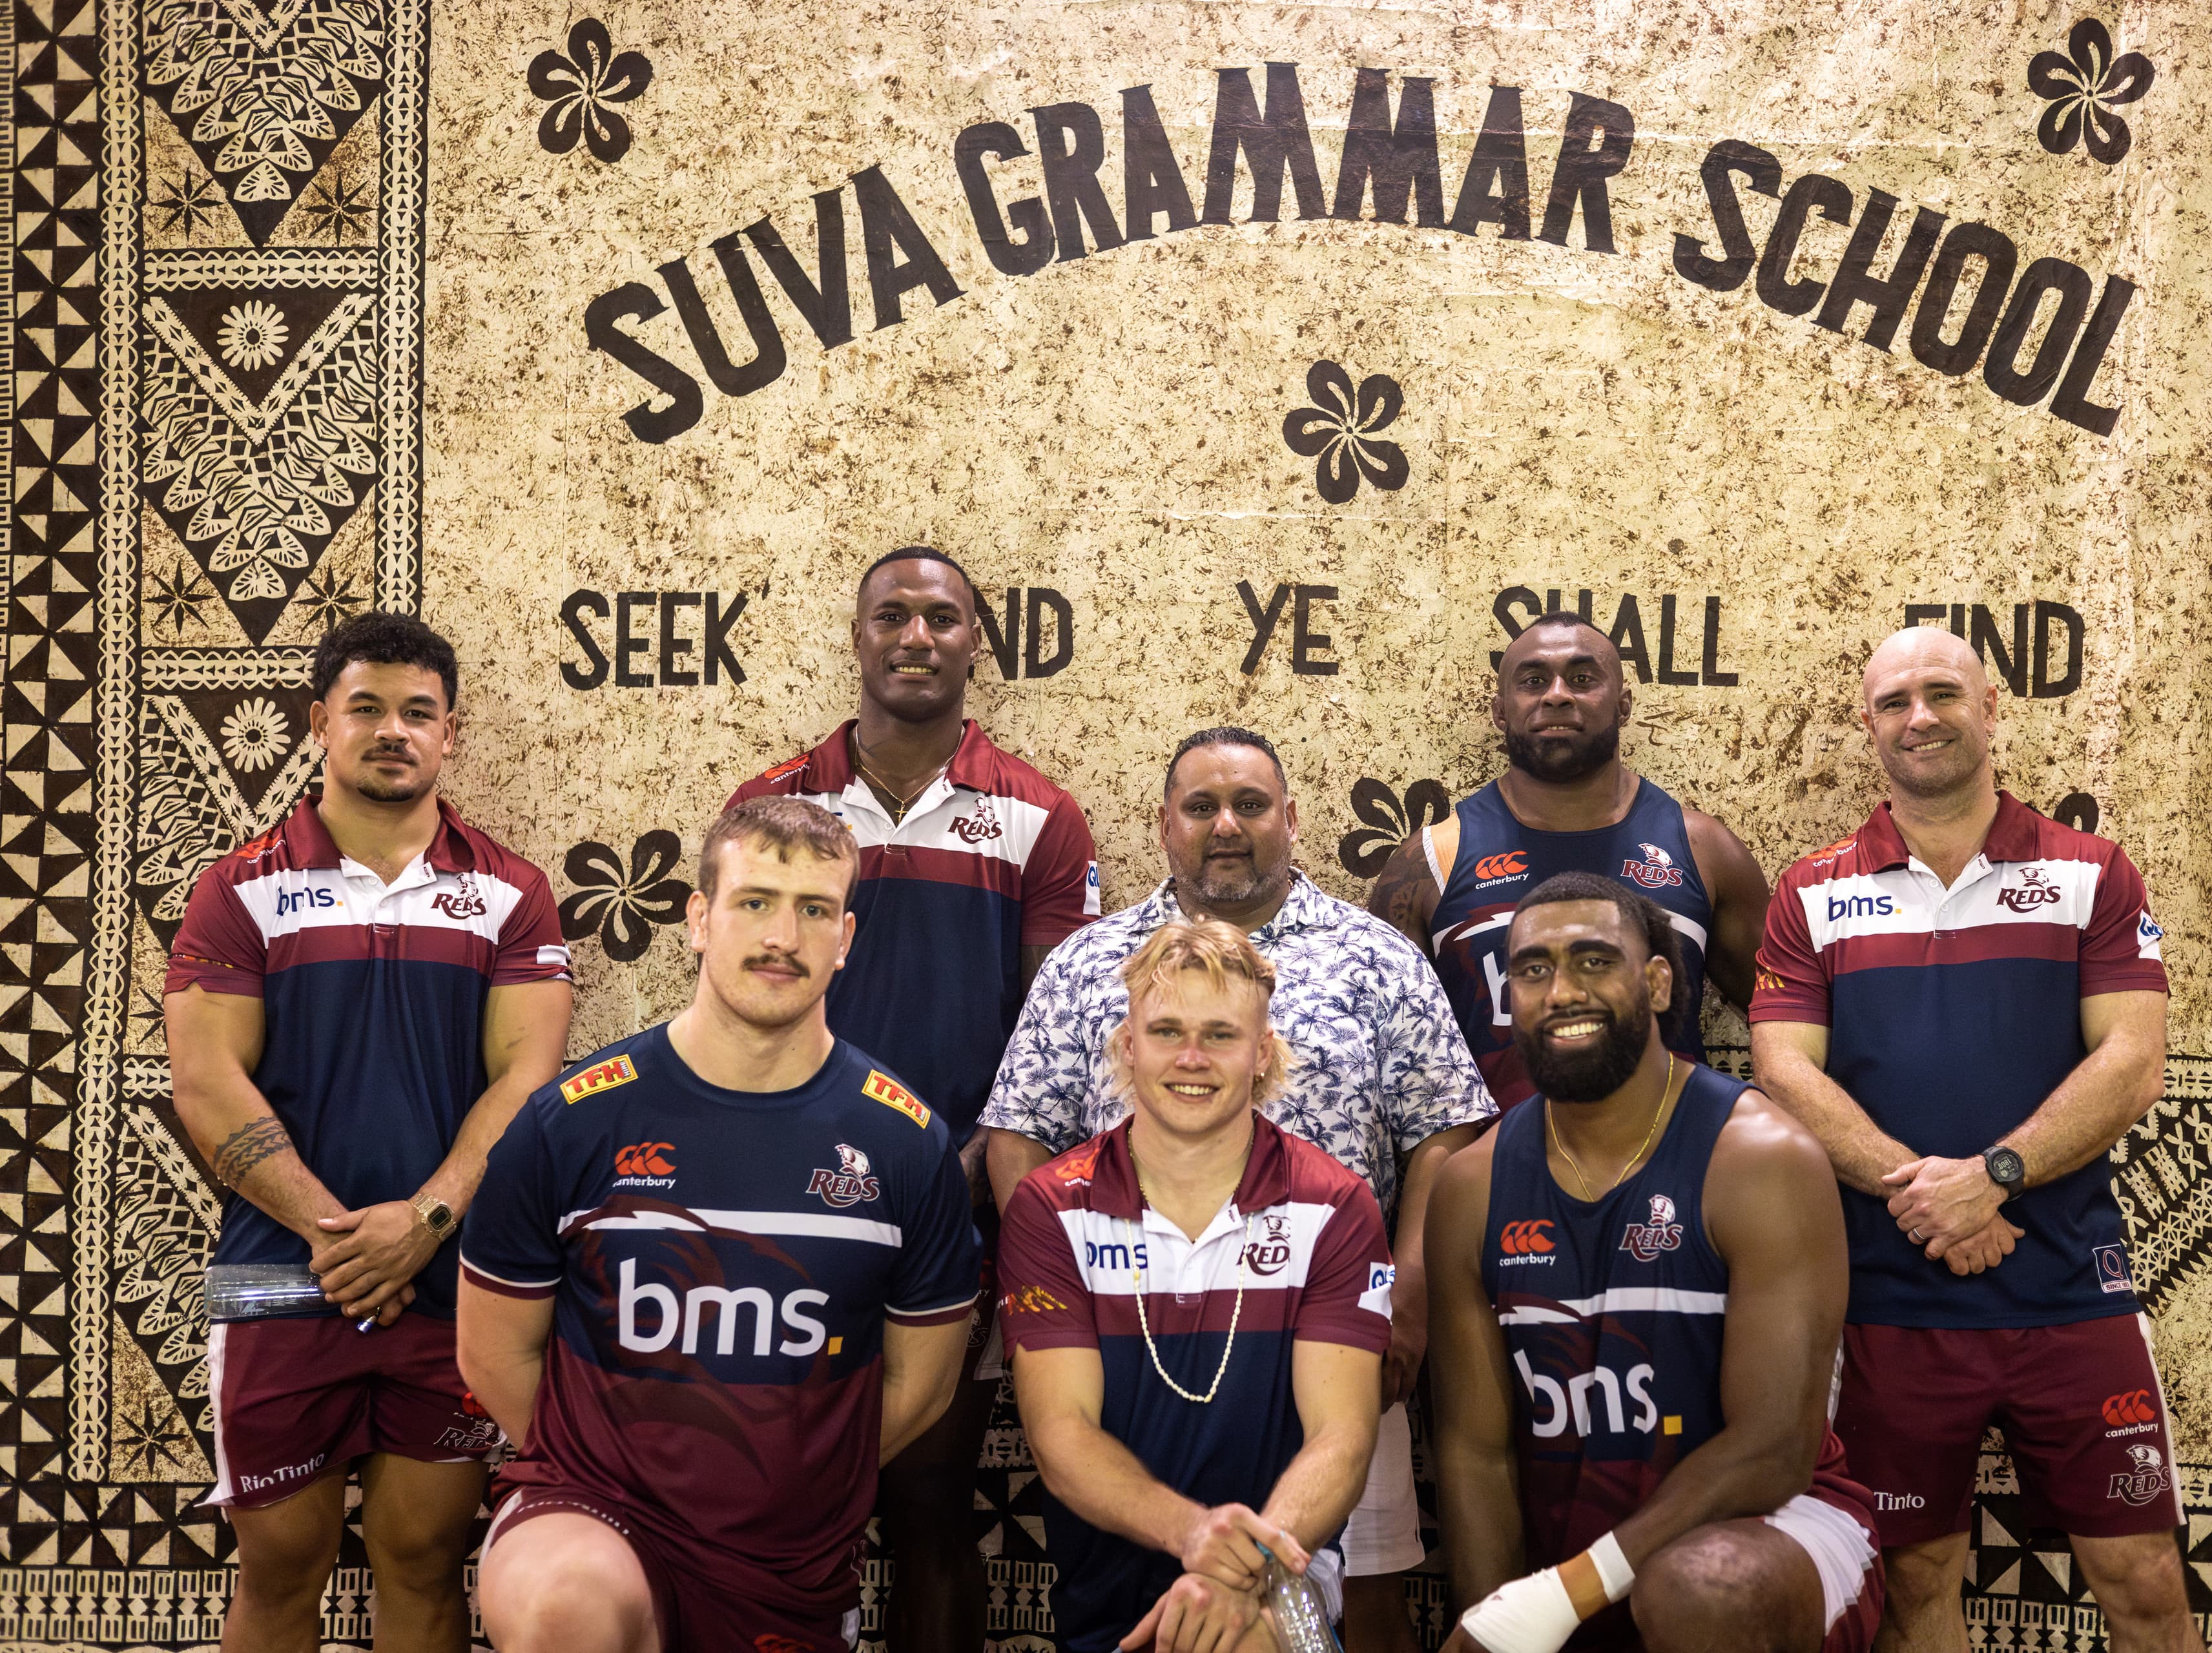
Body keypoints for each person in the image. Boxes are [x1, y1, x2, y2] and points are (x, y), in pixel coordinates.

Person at [982, 727, 1493, 1652]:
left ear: (1292, 820)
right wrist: (1046, 1267)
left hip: (1334, 1319)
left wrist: (1405, 1291)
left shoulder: (1376, 955)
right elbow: (1018, 1129)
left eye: (1251, 805)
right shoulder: (1088, 962)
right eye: (1202, 806)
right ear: (1165, 826)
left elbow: (1447, 1129)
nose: (1227, 825)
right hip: (1123, 1329)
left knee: (1360, 1585)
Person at [1748, 626, 2192, 1653]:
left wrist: (1993, 1179)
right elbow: (1783, 1071)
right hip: (1891, 1302)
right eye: (1895, 701)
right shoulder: (1808, 889)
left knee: (2144, 1580)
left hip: (2072, 1291)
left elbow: (2132, 1063)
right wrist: (1934, 1201)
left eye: (1943, 692)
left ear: (1991, 709)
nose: (1921, 716)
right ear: (1869, 728)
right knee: (1916, 1584)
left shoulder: (2092, 872)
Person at [460, 797, 982, 1653]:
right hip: (593, 1508)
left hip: (791, 1555)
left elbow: (918, 1385)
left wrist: (791, 1481)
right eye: (754, 901)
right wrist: (617, 1472)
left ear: (845, 938)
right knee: (569, 1609)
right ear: (700, 920)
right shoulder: (574, 1122)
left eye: (813, 910)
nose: (783, 937)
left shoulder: (904, 1143)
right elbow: (493, 1353)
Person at [164, 613, 574, 1653]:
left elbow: (529, 1080)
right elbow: (206, 1084)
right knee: (277, 1568)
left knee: (426, 1563)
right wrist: (340, 1235)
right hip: (268, 1274)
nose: (393, 730)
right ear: (319, 724)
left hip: (451, 1282)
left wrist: (426, 1222)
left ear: (450, 736)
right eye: (367, 708)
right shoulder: (236, 889)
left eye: (418, 713)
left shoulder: (512, 894)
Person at [728, 544, 1100, 1653]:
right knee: (780, 1505)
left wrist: (986, 1156)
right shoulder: (774, 804)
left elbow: (1055, 1030)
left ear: (975, 641)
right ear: (857, 637)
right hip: (790, 1203)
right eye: (892, 615)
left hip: (957, 1210)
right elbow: (740, 999)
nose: (917, 636)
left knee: (932, 1508)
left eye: (942, 617)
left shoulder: (1039, 816)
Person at [1427, 873, 1882, 1653]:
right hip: (1577, 1549)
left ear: (1660, 980)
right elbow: (1477, 1452)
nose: (1561, 989)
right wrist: (1497, 1619)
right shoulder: (1472, 1185)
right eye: (1533, 969)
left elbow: (1773, 1450)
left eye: (1595, 961)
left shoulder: (1760, 1158)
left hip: (1771, 1527)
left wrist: (1567, 1591)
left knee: (1700, 1590)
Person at [1000, 918, 1391, 1653]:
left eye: (1220, 1034)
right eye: (1167, 1030)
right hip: (1111, 1606)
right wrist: (1198, 1535)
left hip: (1283, 1589)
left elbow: (1342, 1437)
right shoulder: (1053, 1206)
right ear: (1127, 1045)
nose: (1191, 1058)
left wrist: (1243, 1571)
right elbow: (1061, 1436)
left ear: (1261, 1052)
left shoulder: (1334, 1204)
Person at [1365, 611, 1770, 1107]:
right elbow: (1379, 1047)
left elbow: (1789, 1016)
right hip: (1493, 1169)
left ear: (1623, 707)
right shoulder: (1429, 860)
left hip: (1673, 1167)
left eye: (1582, 679)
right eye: (1533, 681)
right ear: (1500, 710)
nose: (1557, 694)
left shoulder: (1703, 849)